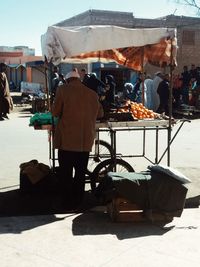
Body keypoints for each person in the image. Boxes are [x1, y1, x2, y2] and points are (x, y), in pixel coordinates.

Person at [51, 70, 104, 209]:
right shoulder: (92, 94)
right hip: (84, 142)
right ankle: (78, 201)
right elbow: (100, 113)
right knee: (80, 173)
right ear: (79, 79)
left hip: (67, 141)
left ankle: (66, 202)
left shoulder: (62, 90)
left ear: (68, 80)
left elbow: (55, 112)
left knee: (66, 173)